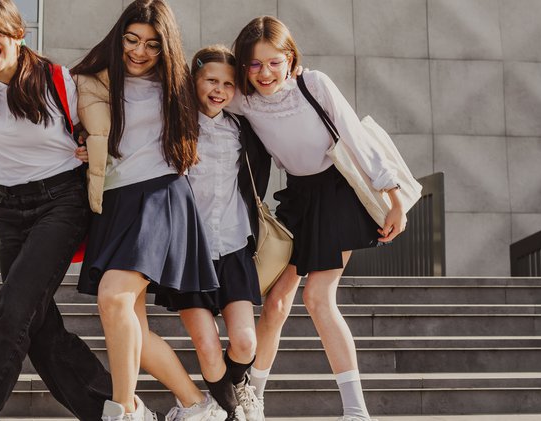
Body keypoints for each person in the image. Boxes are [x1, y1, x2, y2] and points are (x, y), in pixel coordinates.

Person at [229, 16, 405, 421]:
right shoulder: (245, 99)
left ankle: (356, 411)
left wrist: (393, 198)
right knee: (274, 304)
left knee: (317, 298)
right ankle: (252, 404)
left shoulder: (314, 84)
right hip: (298, 198)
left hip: (337, 192)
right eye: (254, 65)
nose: (265, 73)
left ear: (290, 59)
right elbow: (201, 94)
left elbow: (356, 139)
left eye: (273, 62)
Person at [0, 1, 113, 420]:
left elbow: (111, 128)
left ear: (19, 33)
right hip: (10, 209)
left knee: (14, 310)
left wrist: (92, 149)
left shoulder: (59, 81)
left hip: (61, 202)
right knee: (36, 326)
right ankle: (110, 407)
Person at [71, 1, 228, 420]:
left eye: (153, 45)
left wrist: (287, 79)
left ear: (166, 48)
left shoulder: (178, 85)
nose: (139, 52)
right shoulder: (90, 81)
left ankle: (124, 410)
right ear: (119, 37)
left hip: (161, 197)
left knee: (113, 296)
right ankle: (198, 407)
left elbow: (229, 92)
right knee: (132, 326)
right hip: (115, 201)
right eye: (132, 40)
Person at [154, 44, 270, 421]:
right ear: (194, 81)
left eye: (228, 83)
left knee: (245, 342)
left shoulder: (241, 128)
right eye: (211, 80)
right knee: (206, 345)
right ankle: (230, 411)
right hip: (189, 250)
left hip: (234, 244)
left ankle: (233, 387)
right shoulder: (173, 125)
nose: (219, 89)